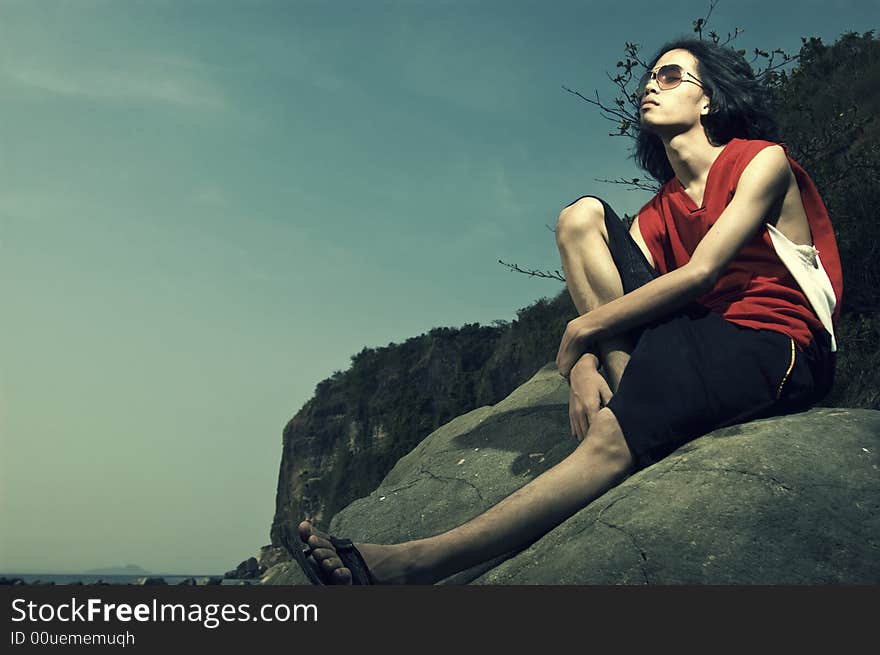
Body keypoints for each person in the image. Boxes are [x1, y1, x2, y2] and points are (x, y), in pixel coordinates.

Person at [284, 38, 843, 585]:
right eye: (649, 77)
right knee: (580, 217)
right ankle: (633, 400)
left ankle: (409, 564)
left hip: (776, 343)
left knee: (609, 436)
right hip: (695, 340)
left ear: (709, 100)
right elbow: (617, 296)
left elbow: (703, 273)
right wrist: (581, 367)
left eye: (671, 76)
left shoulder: (760, 161)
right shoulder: (659, 211)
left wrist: (579, 334)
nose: (651, 83)